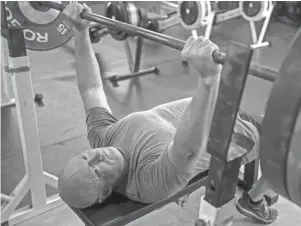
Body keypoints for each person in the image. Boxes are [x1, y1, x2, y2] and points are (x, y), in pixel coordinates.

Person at [57, 2, 278, 224]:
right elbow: (186, 152)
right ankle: (255, 199)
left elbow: (91, 89)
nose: (97, 156)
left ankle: (268, 188)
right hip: (237, 134)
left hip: (216, 107)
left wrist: (80, 31)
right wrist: (208, 79)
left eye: (85, 157)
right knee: (298, 142)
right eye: (96, 171)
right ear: (105, 192)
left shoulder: (101, 137)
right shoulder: (148, 183)